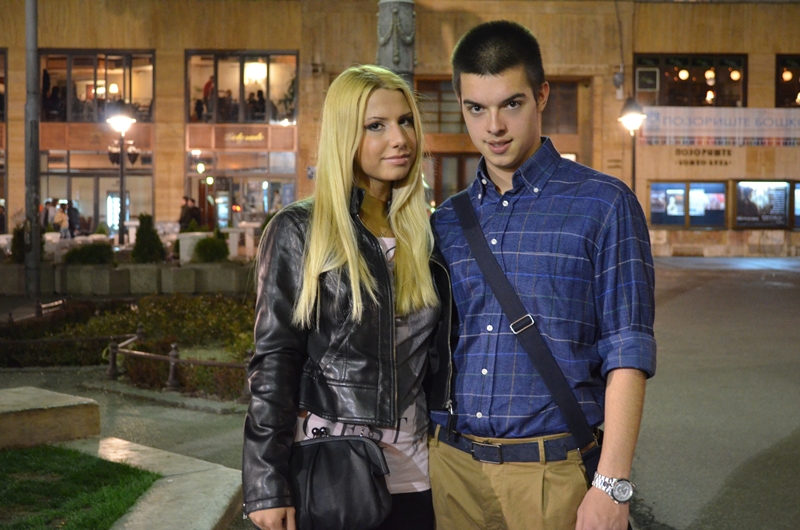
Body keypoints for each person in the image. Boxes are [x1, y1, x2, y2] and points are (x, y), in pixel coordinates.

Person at [427, 20, 657, 530]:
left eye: (511, 104)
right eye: (476, 108)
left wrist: (612, 484)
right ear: (460, 104)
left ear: (542, 96)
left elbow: (628, 349)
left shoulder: (604, 205)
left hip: (553, 474)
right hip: (452, 468)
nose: (494, 127)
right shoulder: (445, 221)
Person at [242, 64, 452, 530]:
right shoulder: (300, 229)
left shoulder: (425, 236)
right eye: (376, 125)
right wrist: (265, 483)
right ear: (344, 136)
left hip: (418, 472)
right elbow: (275, 360)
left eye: (405, 121)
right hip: (334, 470)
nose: (399, 138)